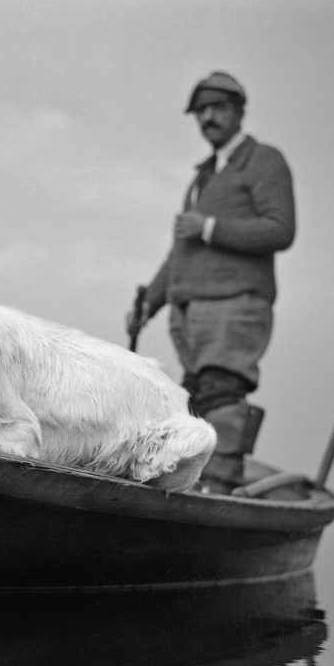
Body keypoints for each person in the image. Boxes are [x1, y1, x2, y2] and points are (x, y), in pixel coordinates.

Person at [129, 71, 296, 491]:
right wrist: (149, 302)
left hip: (234, 306)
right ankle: (200, 489)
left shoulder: (263, 161)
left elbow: (281, 229)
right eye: (201, 110)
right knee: (198, 401)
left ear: (240, 111)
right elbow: (182, 254)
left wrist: (209, 228)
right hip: (192, 316)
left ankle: (217, 492)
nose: (208, 117)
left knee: (221, 398)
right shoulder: (205, 175)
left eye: (218, 107)